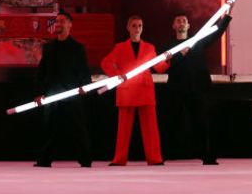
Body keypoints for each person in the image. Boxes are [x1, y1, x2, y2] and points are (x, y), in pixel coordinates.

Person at [158, 8, 232, 165]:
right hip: (176, 89)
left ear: (188, 25)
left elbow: (217, 32)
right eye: (178, 21)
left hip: (196, 88)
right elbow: (165, 66)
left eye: (184, 21)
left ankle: (207, 156)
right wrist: (180, 54)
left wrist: (227, 14)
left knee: (201, 123)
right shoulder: (169, 46)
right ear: (173, 25)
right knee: (170, 123)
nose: (181, 23)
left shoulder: (198, 41)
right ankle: (162, 156)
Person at [101, 15, 166, 166]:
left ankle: (155, 158)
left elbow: (160, 68)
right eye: (134, 25)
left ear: (142, 28)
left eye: (140, 25)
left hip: (144, 89)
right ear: (128, 28)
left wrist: (167, 58)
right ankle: (119, 159)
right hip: (127, 89)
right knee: (123, 129)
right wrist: (118, 76)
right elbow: (106, 62)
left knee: (151, 128)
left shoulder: (149, 48)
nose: (137, 28)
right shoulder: (120, 47)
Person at [32, 10, 93, 168]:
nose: (58, 23)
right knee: (48, 128)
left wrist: (84, 86)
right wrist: (39, 93)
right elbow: (41, 72)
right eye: (57, 21)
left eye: (62, 21)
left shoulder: (78, 48)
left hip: (71, 96)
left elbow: (84, 71)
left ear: (70, 25)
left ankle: (85, 160)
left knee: (78, 129)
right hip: (52, 96)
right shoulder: (48, 47)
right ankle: (43, 161)